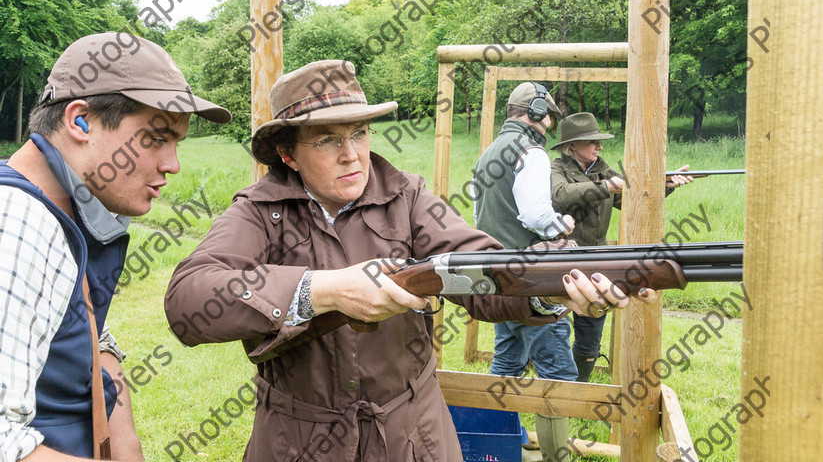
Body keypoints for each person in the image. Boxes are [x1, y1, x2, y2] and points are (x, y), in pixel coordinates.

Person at [164, 61, 654, 461]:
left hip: (413, 435)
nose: (352, 155)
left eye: (358, 133)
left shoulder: (409, 195)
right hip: (297, 442)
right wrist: (324, 290)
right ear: (287, 154)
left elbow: (480, 267)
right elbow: (189, 298)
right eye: (327, 140)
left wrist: (555, 290)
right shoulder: (258, 210)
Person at [0, 32, 231, 461]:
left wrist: (124, 441)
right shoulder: (14, 222)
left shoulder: (63, 209)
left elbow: (84, 328)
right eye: (157, 137)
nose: (173, 165)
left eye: (177, 142)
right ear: (80, 121)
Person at [473, 82, 580, 461]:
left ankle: (496, 445)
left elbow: (480, 214)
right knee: (558, 371)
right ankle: (556, 458)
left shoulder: (490, 151)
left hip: (496, 273)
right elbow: (535, 215)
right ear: (535, 111)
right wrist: (561, 225)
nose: (549, 122)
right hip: (529, 278)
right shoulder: (530, 151)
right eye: (547, 114)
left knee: (507, 362)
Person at [550, 112, 692, 382]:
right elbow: (561, 196)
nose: (599, 146)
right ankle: (555, 386)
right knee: (550, 329)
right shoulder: (556, 169)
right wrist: (607, 186)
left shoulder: (601, 168)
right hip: (557, 259)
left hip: (595, 259)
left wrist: (666, 185)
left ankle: (578, 388)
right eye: (592, 142)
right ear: (572, 147)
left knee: (591, 329)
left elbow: (632, 198)